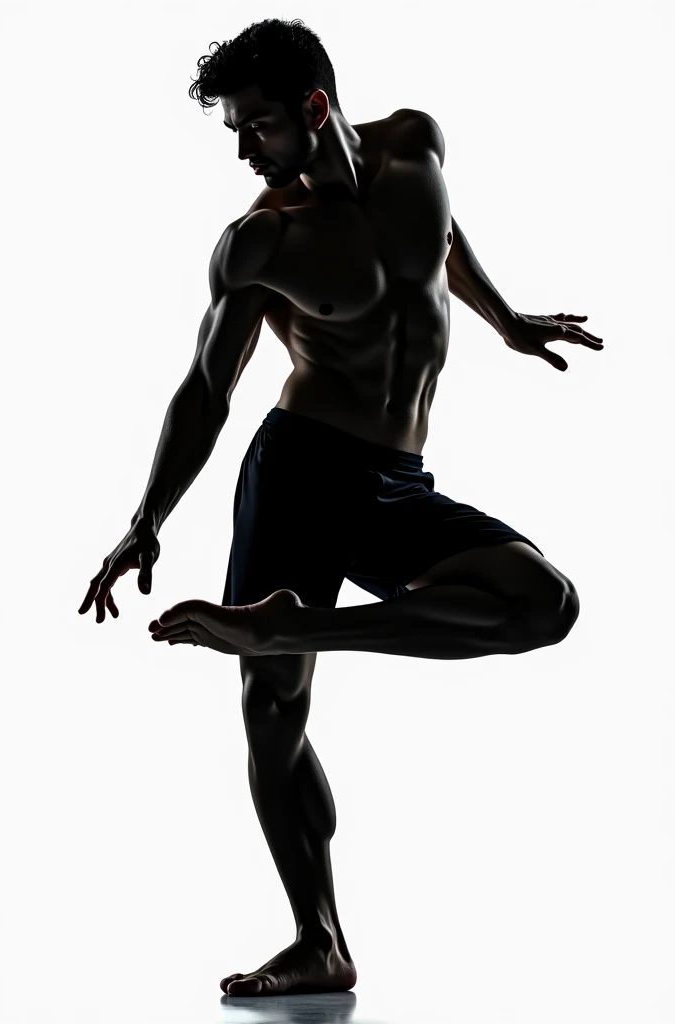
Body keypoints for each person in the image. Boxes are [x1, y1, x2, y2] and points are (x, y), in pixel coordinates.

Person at [78, 18, 603, 997]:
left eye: (258, 126)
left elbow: (439, 246)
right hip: (298, 470)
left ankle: (293, 625)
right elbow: (206, 388)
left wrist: (508, 320)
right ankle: (319, 937)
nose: (243, 151)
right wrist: (146, 518)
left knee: (543, 602)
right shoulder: (261, 240)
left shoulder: (416, 147)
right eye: (236, 130)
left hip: (395, 481)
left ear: (315, 108)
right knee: (273, 711)